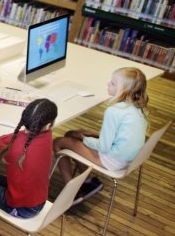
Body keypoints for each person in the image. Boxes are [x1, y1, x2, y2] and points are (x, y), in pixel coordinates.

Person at [54, 67, 149, 204]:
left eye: (113, 83)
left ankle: (71, 193)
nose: (108, 84)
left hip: (112, 160)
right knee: (70, 135)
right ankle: (88, 181)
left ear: (125, 90)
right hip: (127, 158)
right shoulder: (138, 108)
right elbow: (123, 135)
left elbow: (104, 147)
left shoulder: (114, 111)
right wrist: (92, 135)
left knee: (58, 142)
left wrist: (84, 138)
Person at [0, 99, 58, 224]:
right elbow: (21, 138)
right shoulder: (47, 136)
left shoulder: (17, 145)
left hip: (21, 208)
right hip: (37, 200)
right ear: (48, 125)